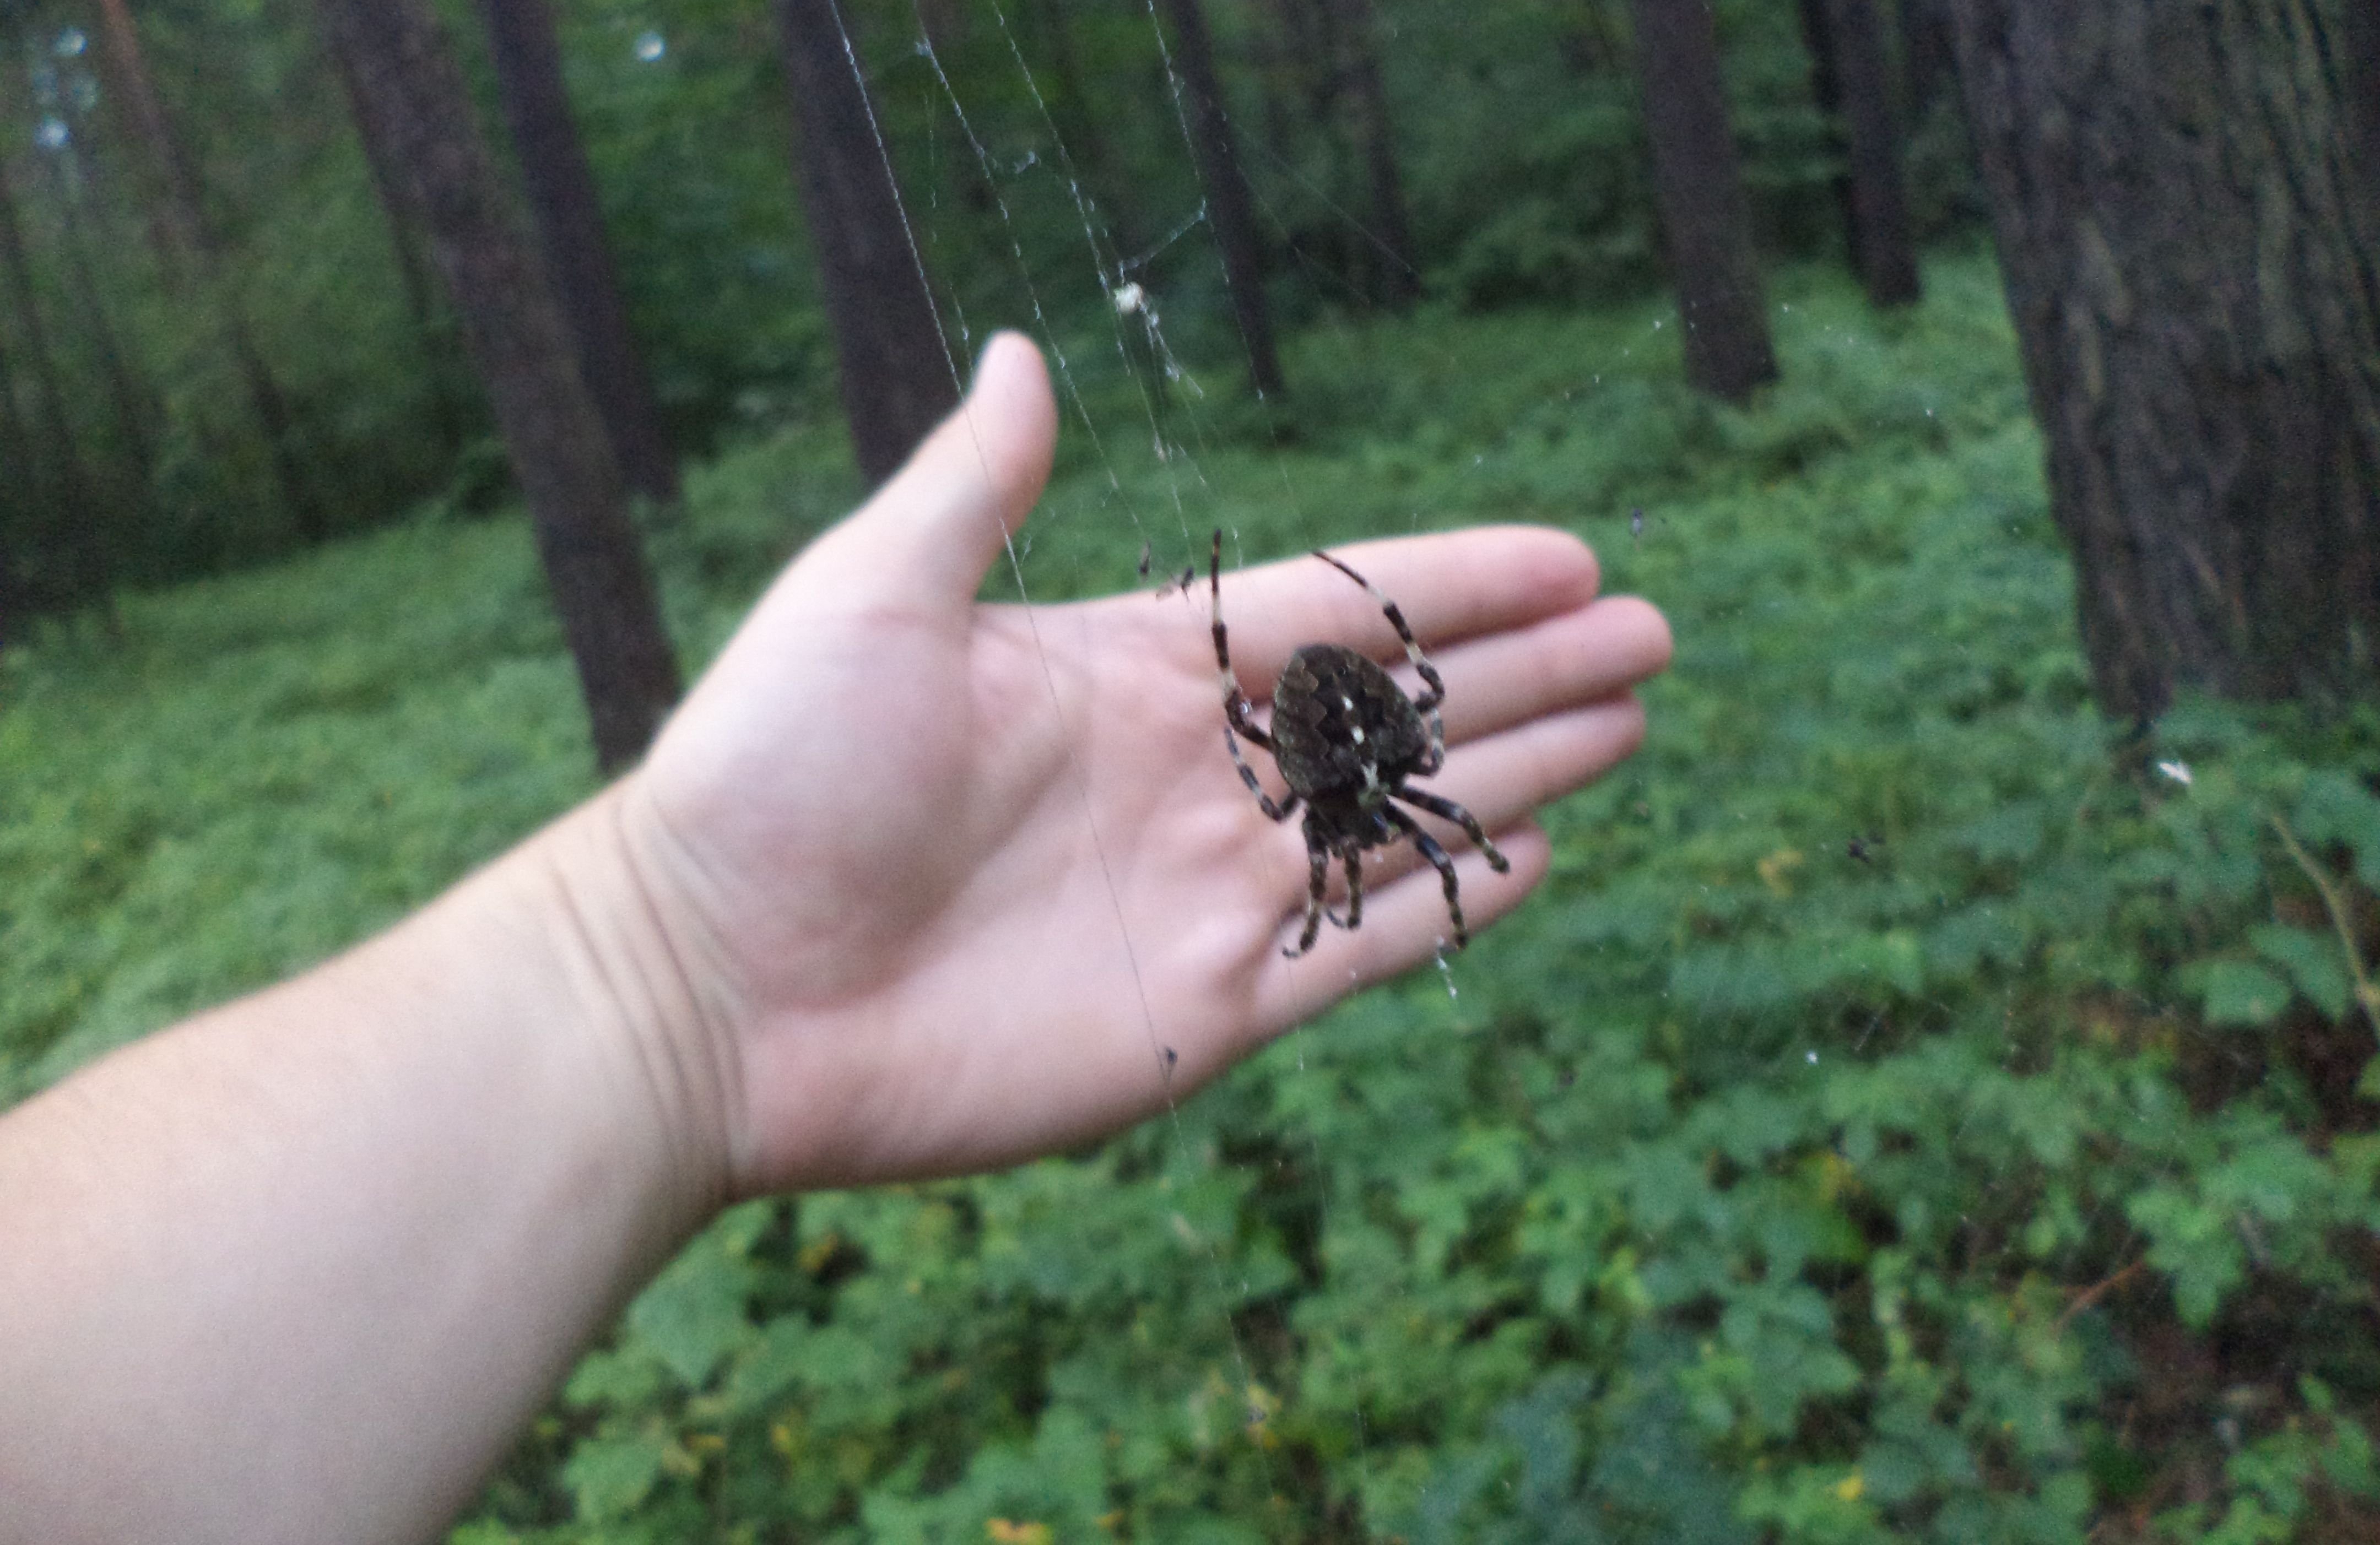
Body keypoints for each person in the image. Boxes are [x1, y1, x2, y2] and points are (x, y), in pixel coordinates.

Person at [0, 332, 1672, 1544]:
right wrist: (678, 957)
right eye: (1362, 833)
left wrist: (673, 971)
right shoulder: (1316, 785)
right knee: (1392, 856)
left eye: (1372, 826)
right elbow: (1312, 757)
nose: (1374, 842)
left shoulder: (1365, 778)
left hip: (1343, 716)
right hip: (1331, 716)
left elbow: (1392, 728)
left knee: (1432, 855)